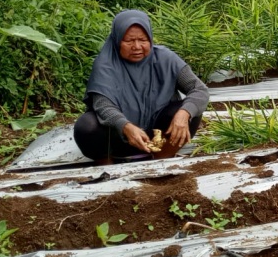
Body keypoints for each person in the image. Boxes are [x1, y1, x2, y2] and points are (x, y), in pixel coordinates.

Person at [73, 10, 210, 163]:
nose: (137, 46)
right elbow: (103, 105)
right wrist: (126, 127)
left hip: (158, 135)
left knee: (192, 109)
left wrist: (185, 113)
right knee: (86, 126)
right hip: (120, 139)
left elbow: (199, 89)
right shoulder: (105, 65)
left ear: (150, 39)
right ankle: (107, 168)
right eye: (129, 41)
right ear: (117, 40)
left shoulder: (166, 59)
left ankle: (161, 159)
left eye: (143, 40)